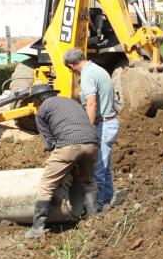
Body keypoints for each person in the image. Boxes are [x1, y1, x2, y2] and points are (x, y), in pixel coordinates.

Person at [25, 84, 99, 239]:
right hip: (92, 143)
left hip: (68, 145)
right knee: (88, 181)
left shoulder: (42, 111)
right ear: (51, 93)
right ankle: (95, 219)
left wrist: (64, 168)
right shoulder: (72, 102)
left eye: (34, 101)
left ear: (39, 99)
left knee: (46, 184)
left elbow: (50, 145)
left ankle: (37, 228)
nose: (35, 104)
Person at [63, 48, 120, 212]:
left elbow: (91, 103)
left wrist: (87, 130)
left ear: (72, 66)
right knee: (105, 168)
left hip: (103, 125)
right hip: (110, 123)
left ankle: (99, 209)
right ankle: (108, 202)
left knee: (98, 171)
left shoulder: (87, 75)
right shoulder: (97, 69)